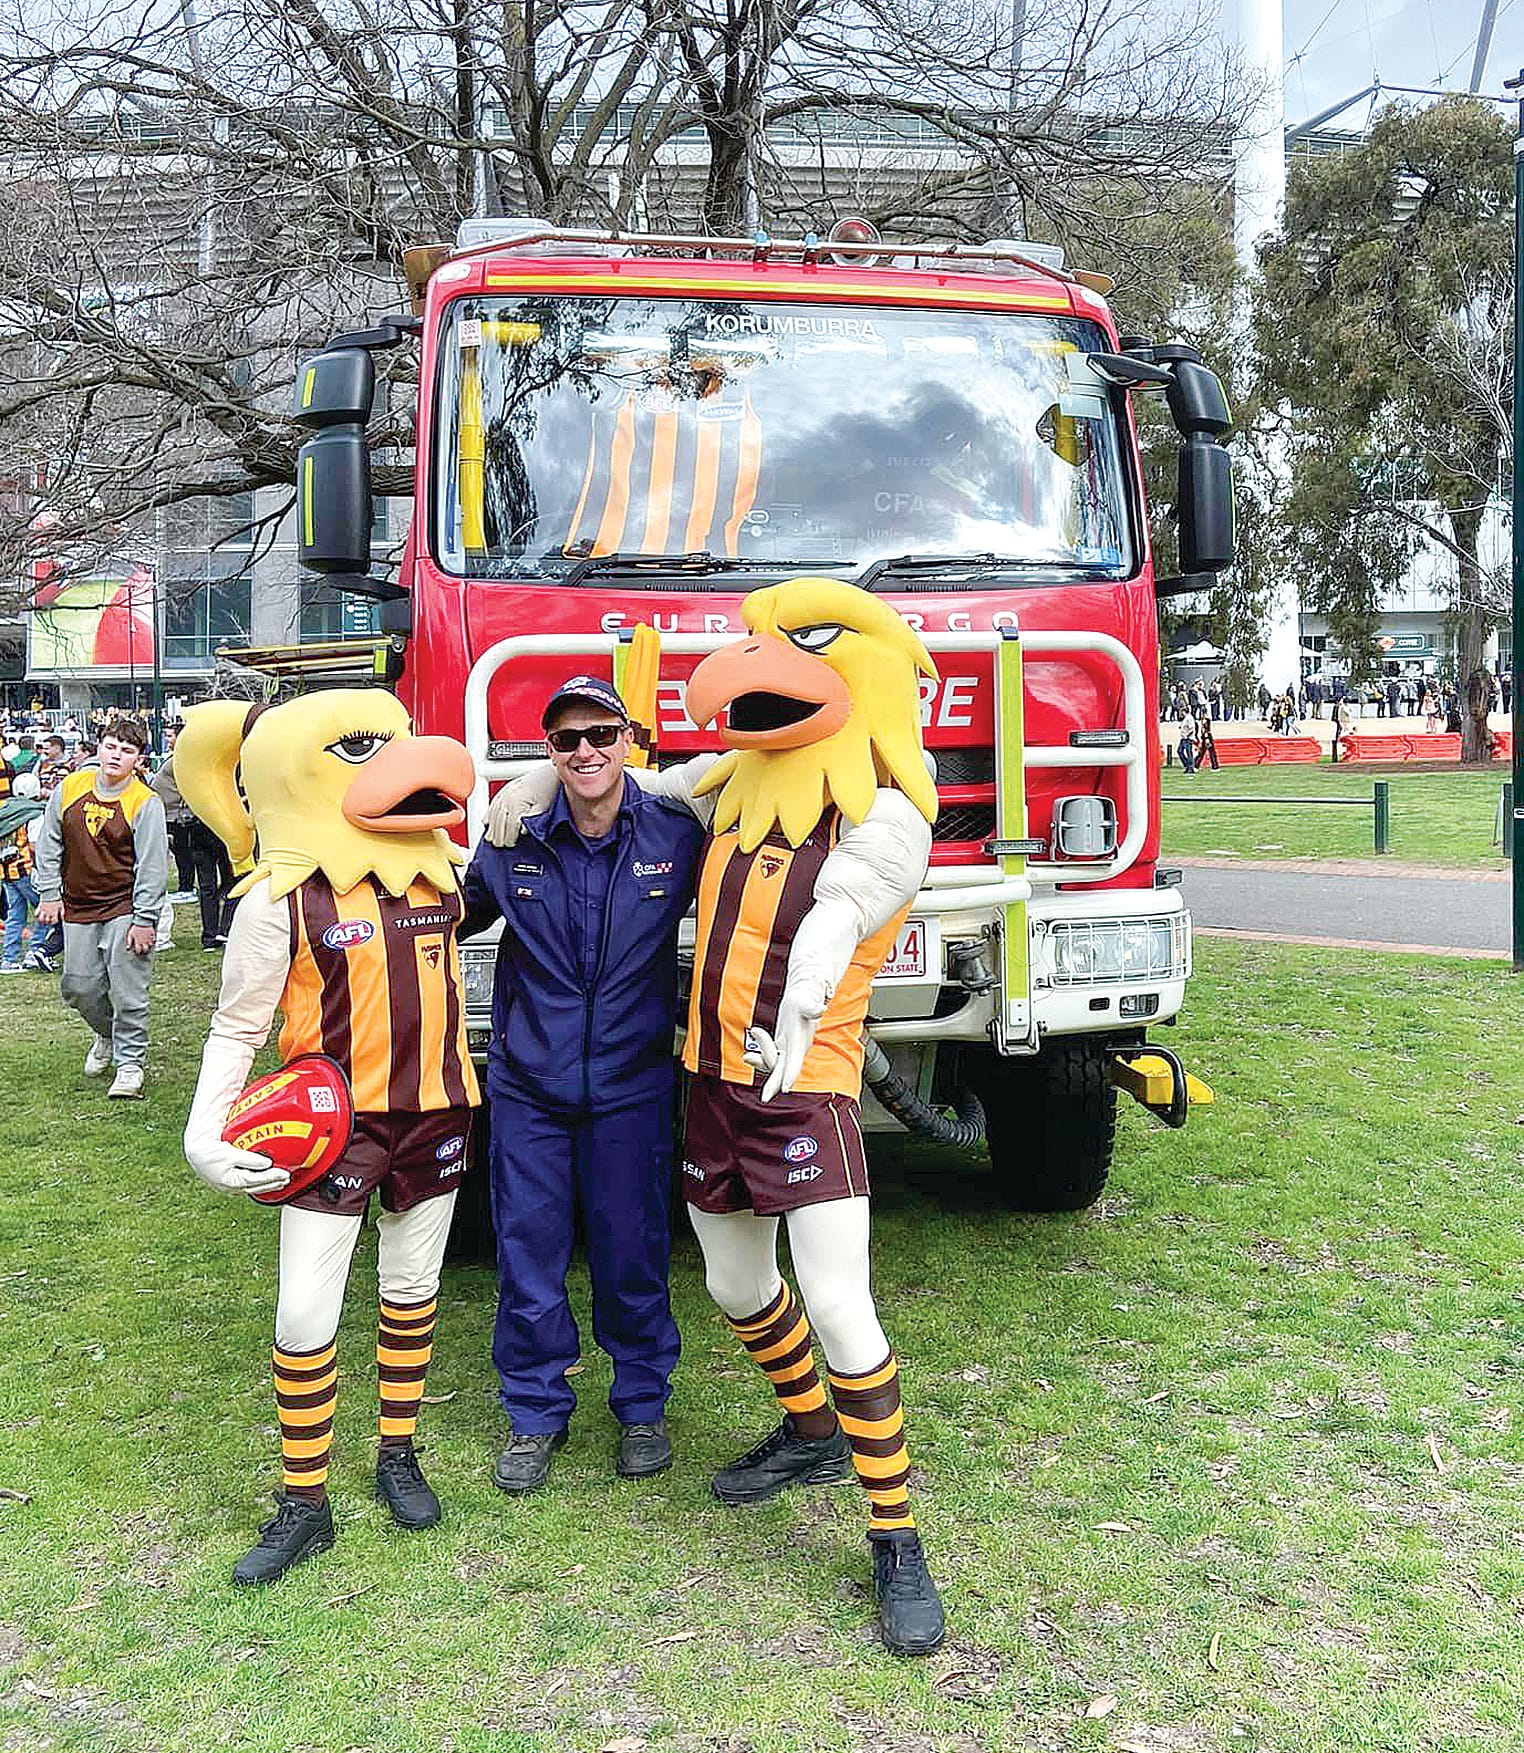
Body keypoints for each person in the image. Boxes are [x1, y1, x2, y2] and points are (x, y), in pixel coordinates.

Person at [177, 691, 480, 1585]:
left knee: (411, 1286)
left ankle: (397, 1451)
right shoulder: (282, 899)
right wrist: (205, 1127)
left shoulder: (441, 873)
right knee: (306, 1312)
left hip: (438, 1111)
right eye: (358, 749)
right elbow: (237, 1025)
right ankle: (304, 1500)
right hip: (332, 1126)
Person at [461, 676, 704, 1493]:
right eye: (565, 741)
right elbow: (436, 914)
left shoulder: (676, 831)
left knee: (632, 1247)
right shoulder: (510, 839)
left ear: (629, 739)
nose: (586, 750)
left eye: (601, 732)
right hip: (530, 1086)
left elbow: (749, 779)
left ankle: (640, 1405)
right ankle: (535, 1413)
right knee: (528, 1251)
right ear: (549, 751)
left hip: (633, 1087)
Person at [32, 714, 166, 1099]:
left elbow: (152, 866)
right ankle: (107, 1036)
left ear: (138, 759)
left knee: (129, 993)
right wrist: (48, 893)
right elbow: (50, 842)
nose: (116, 756)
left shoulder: (145, 803)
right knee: (78, 986)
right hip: (78, 906)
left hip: (124, 907)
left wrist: (145, 918)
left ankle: (130, 1065)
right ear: (99, 748)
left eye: (127, 751)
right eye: (111, 747)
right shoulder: (70, 788)